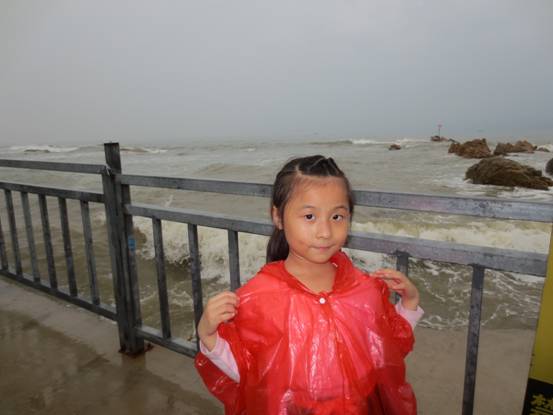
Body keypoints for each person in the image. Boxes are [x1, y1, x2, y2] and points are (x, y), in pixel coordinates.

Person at [195, 155, 423, 414]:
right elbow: (249, 372)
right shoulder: (258, 297)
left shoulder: (363, 289)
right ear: (278, 217)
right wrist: (209, 336)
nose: (325, 232)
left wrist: (409, 303)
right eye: (309, 216)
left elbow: (385, 349)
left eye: (337, 216)